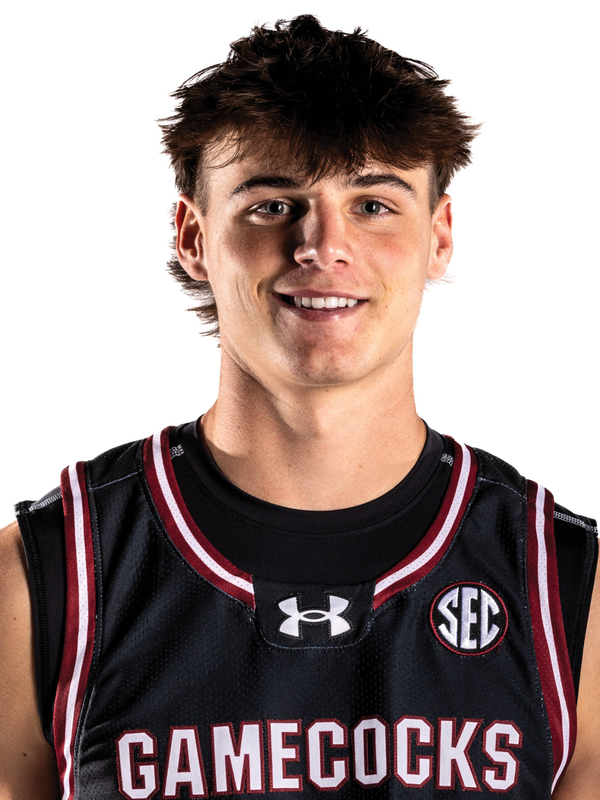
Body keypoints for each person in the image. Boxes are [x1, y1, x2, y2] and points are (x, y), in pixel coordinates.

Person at [0, 14, 598, 799]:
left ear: (439, 235)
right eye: (273, 204)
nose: (321, 245)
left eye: (373, 204)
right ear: (192, 235)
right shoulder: (43, 583)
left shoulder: (568, 592)